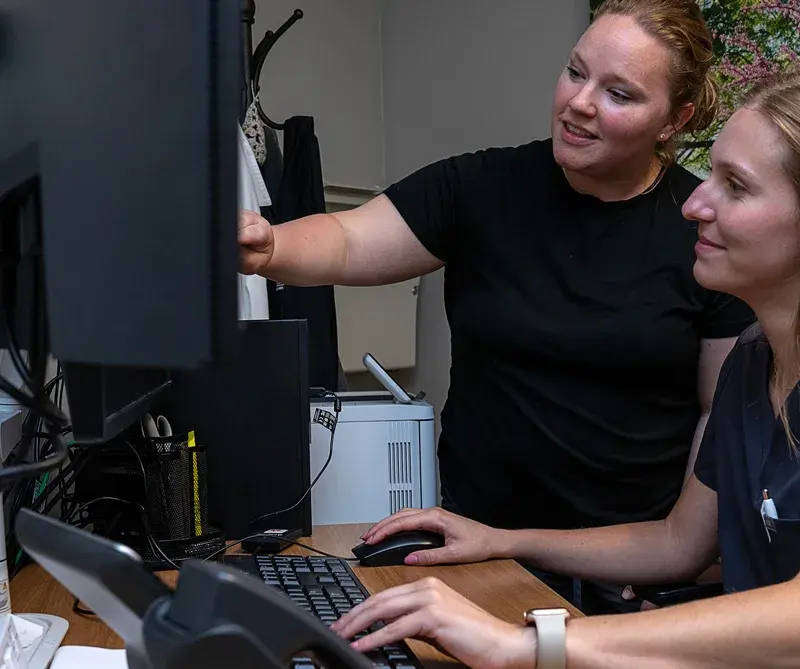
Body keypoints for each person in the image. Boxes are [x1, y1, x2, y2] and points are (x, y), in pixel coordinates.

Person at [330, 65, 800, 668]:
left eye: (735, 186)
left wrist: (529, 643)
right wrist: (500, 539)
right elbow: (677, 543)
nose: (695, 203)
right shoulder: (754, 362)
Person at [237, 0, 755, 613]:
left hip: (624, 573)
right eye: (576, 72)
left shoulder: (705, 236)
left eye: (619, 94)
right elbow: (349, 240)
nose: (580, 102)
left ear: (675, 119)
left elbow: (719, 421)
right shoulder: (482, 188)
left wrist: (681, 559)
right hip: (476, 551)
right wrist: (270, 245)